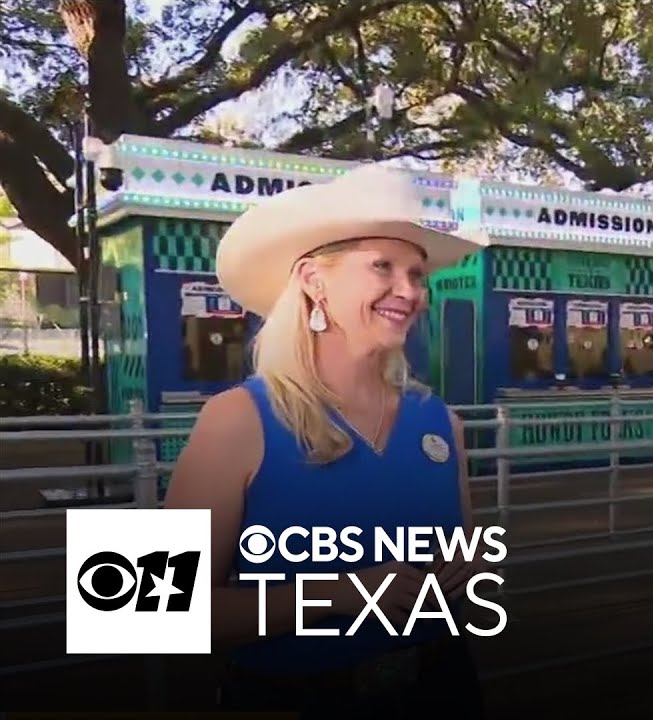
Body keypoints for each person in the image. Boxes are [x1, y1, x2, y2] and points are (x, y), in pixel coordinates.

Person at [163, 164, 490, 718]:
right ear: (314, 280)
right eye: (383, 266)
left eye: (417, 273)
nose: (409, 292)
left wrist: (474, 573)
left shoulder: (442, 422)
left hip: (443, 686)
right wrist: (346, 593)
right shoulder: (235, 417)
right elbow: (139, 609)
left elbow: (471, 563)